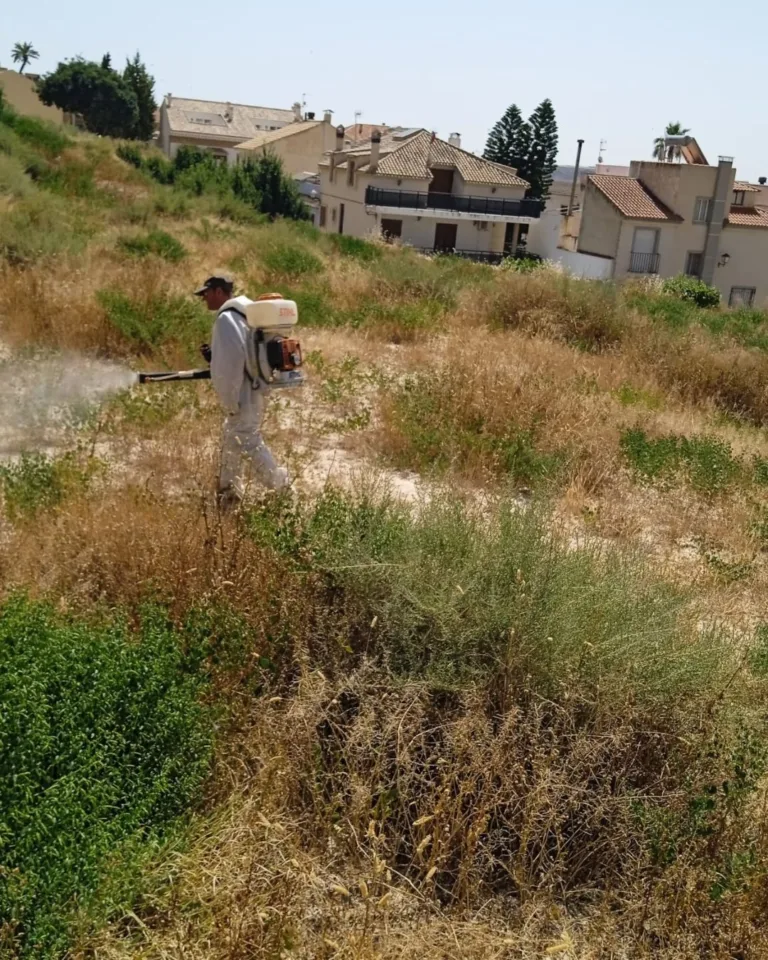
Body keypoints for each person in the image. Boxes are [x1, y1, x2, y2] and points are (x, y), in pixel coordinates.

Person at [195, 274, 290, 505]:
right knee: (231, 439)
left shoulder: (227, 318)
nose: (203, 299)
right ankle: (229, 493)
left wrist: (229, 400)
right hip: (255, 388)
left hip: (242, 394)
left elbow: (232, 364)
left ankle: (283, 489)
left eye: (205, 294)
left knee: (247, 441)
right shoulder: (247, 313)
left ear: (218, 292)